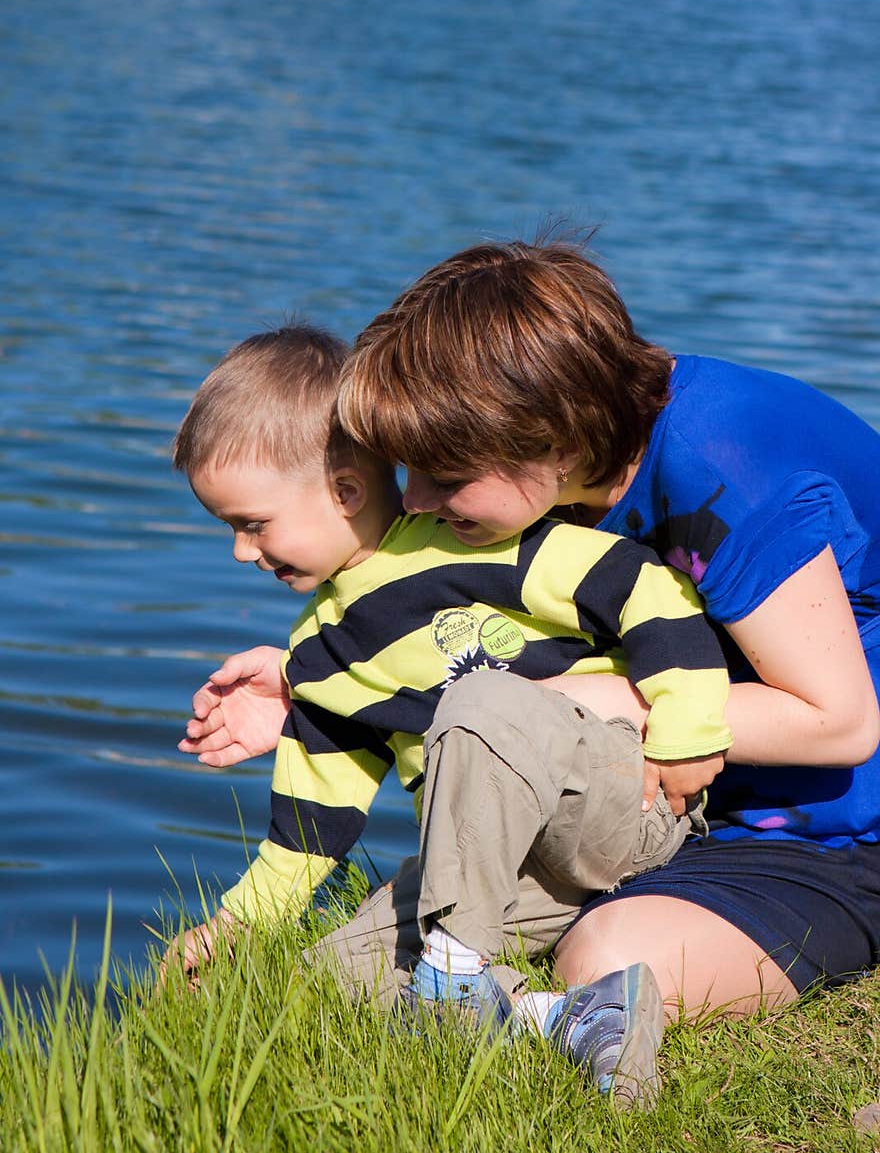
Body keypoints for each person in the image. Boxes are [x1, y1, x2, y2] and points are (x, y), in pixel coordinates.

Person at [334, 229, 880, 1056]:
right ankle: (476, 1001)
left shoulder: (718, 460)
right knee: (352, 970)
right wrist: (307, 683)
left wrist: (572, 700)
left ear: (553, 440)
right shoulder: (572, 458)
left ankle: (498, 1014)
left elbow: (839, 721)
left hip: (835, 827)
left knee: (607, 957)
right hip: (681, 798)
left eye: (445, 474)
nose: (413, 500)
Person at [163, 319, 732, 1108]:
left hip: (614, 804)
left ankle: (455, 978)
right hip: (506, 872)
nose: (240, 552)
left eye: (250, 525)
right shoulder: (323, 657)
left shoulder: (477, 543)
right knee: (330, 977)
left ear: (345, 491)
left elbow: (646, 591)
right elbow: (308, 827)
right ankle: (574, 1017)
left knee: (476, 704)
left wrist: (690, 730)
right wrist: (234, 928)